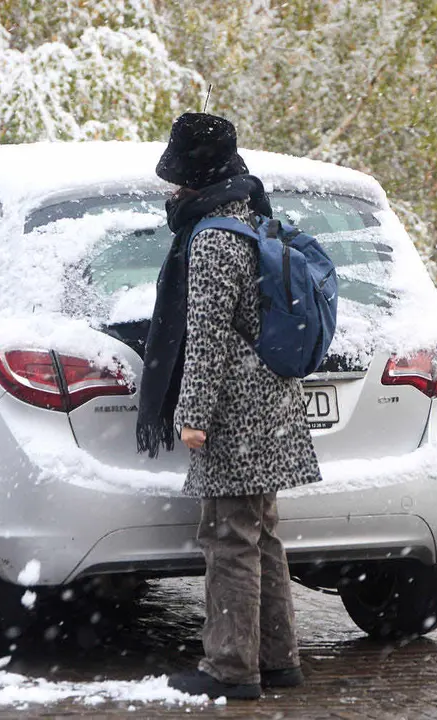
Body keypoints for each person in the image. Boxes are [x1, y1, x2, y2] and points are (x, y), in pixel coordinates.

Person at [136, 113, 323, 700]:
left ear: (193, 175)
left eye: (175, 177)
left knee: (228, 538)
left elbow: (208, 335)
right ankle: (279, 657)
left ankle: (230, 669)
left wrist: (191, 415)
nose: (170, 190)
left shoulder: (215, 236)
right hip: (268, 400)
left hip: (236, 409)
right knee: (259, 533)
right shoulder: (249, 214)